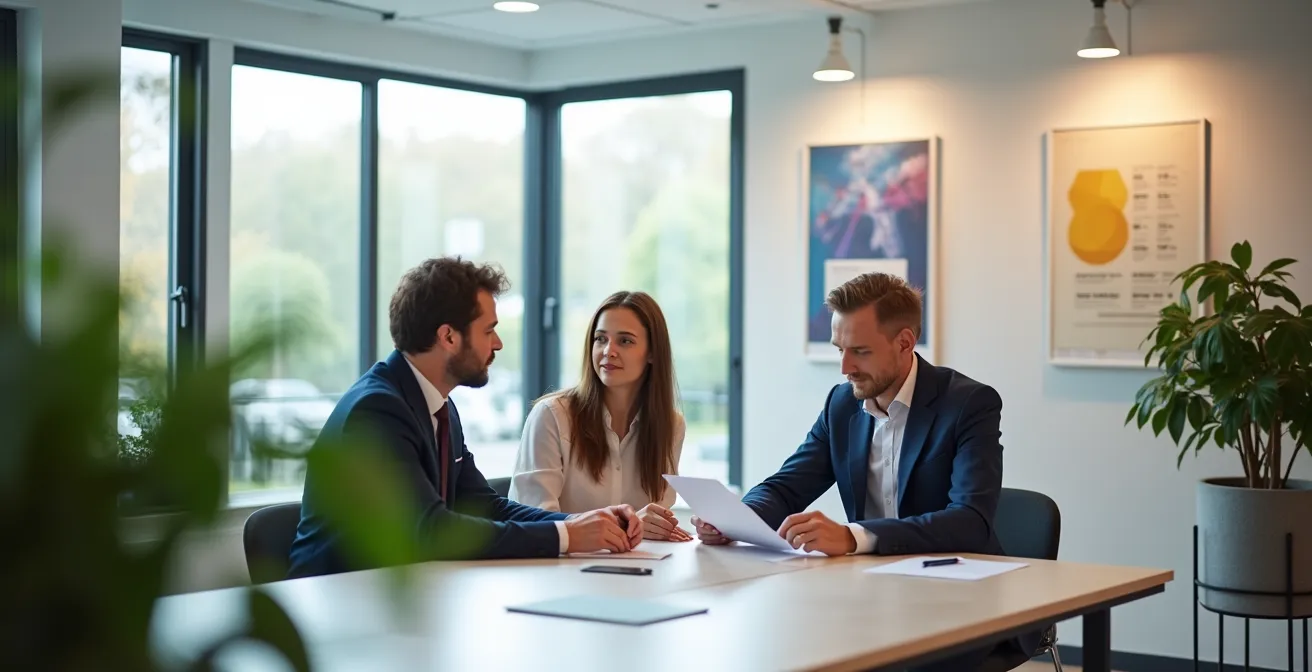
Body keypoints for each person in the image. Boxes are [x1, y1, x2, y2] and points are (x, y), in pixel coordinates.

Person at [690, 272, 1036, 672]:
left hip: (962, 599)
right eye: (839, 349)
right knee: (779, 640)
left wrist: (852, 537)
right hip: (873, 593)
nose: (844, 367)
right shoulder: (842, 405)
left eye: (860, 351)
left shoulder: (968, 404)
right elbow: (786, 488)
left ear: (904, 342)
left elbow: (970, 521)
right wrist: (736, 520)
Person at [286, 258, 642, 579]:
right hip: (340, 603)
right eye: (488, 330)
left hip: (404, 597)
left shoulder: (438, 405)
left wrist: (581, 523)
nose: (498, 343)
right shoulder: (377, 410)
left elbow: (484, 505)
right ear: (448, 337)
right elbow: (429, 530)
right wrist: (566, 536)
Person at [510, 291, 691, 542]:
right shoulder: (552, 416)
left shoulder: (671, 425)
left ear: (652, 353)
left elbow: (656, 518)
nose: (608, 351)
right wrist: (628, 525)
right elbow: (533, 520)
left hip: (638, 563)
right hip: (557, 562)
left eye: (625, 341)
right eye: (600, 339)